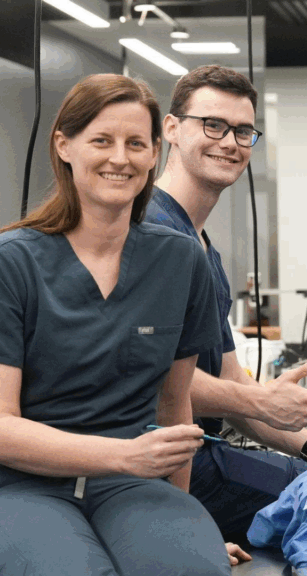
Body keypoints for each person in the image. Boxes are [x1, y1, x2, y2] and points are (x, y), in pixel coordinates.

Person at [0, 74, 231, 575]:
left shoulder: (180, 260)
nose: (120, 159)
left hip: (133, 489)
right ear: (64, 145)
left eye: (136, 144)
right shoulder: (12, 262)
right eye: (101, 141)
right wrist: (123, 456)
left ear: (155, 154)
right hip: (22, 487)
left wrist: (188, 521)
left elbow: (175, 407)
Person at [144, 64, 307, 551]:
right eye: (212, 125)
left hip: (201, 452)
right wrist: (262, 402)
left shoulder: (202, 248)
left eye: (242, 131)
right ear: (172, 128)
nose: (229, 142)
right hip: (159, 463)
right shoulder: (152, 233)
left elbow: (230, 379)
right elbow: (154, 378)